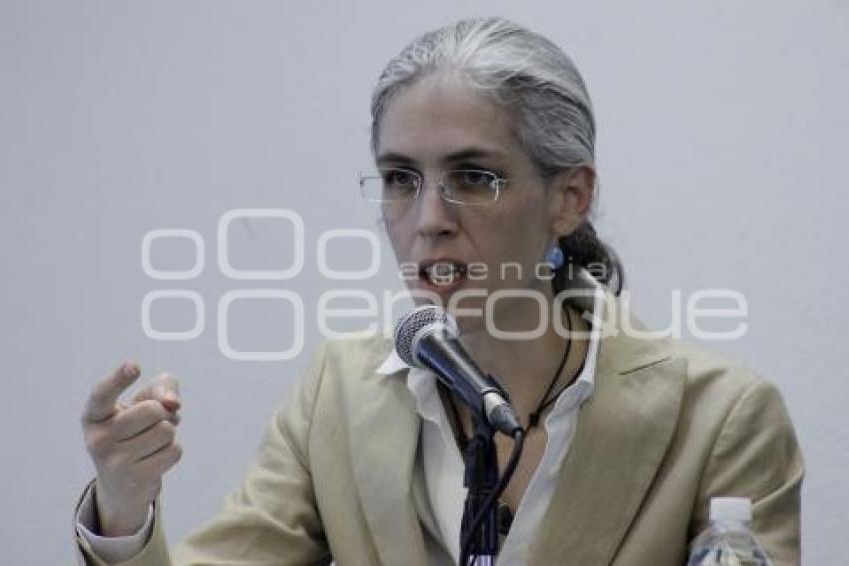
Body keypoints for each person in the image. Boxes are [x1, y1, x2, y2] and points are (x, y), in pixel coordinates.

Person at [74, 17, 803, 565]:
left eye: (473, 178)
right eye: (401, 179)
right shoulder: (340, 390)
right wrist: (125, 503)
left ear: (569, 198)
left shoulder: (722, 418)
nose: (428, 220)